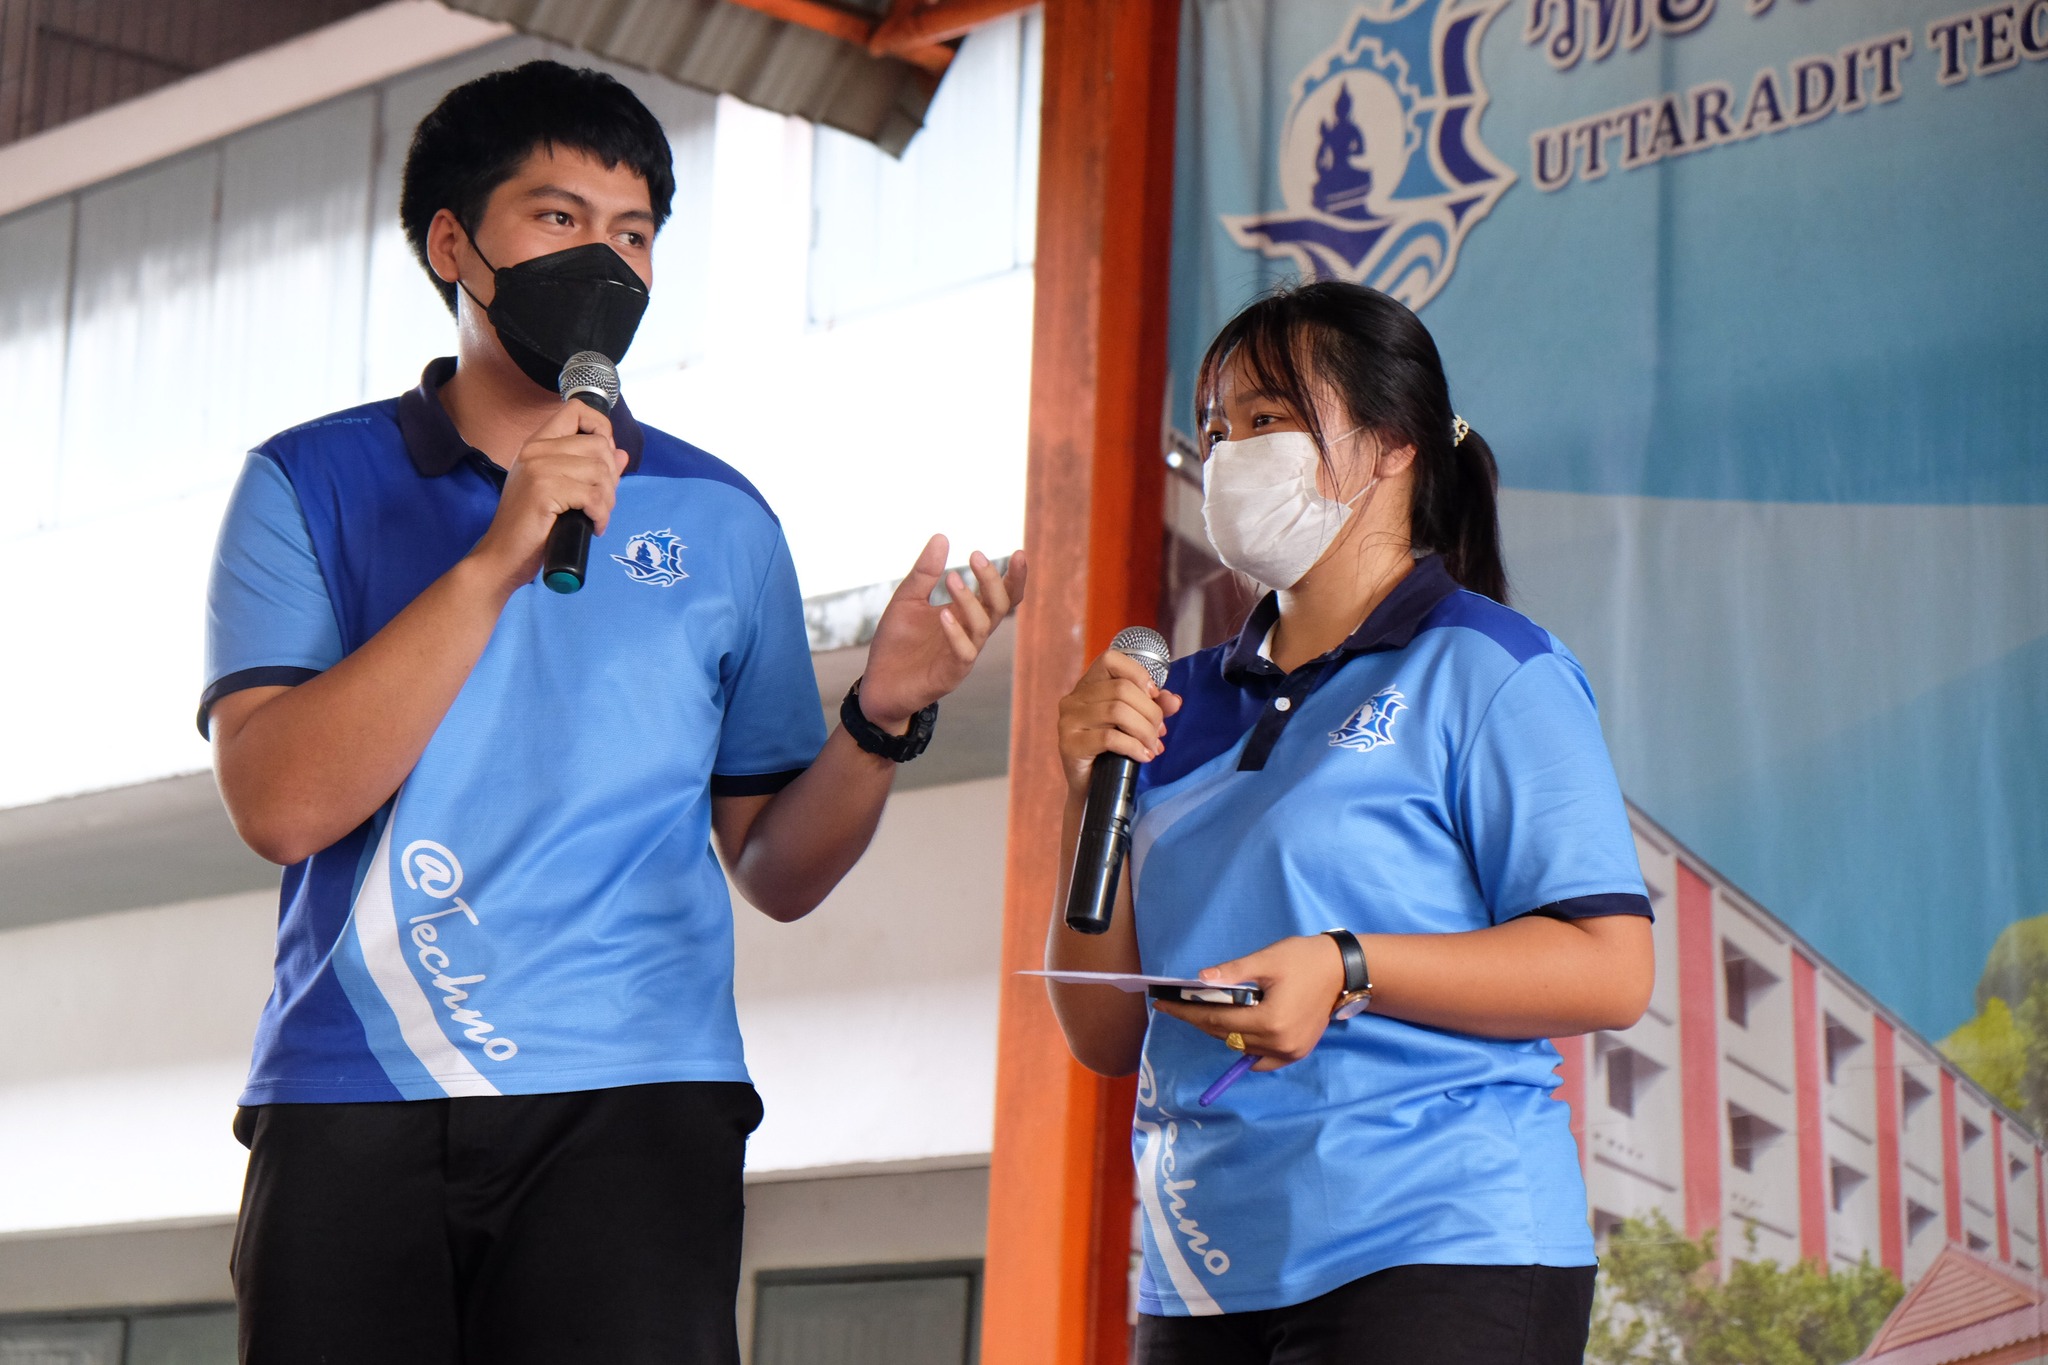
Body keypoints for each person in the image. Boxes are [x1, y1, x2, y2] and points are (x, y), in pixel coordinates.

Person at [201, 60, 1024, 1365]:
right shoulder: (307, 484)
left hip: (638, 1098)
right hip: (359, 1085)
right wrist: (489, 564)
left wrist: (879, 716)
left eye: (635, 233)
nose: (606, 261)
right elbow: (280, 802)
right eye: (560, 218)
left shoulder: (724, 518)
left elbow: (777, 869)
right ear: (454, 244)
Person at [1046, 281, 1652, 1364]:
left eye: (1268, 419)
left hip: (1441, 1244)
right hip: (1203, 1268)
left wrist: (1347, 963)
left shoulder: (1490, 668)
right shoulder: (1169, 705)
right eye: (1217, 428)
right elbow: (1102, 1036)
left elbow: (1609, 970)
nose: (1231, 453)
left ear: (1390, 446)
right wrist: (1082, 785)